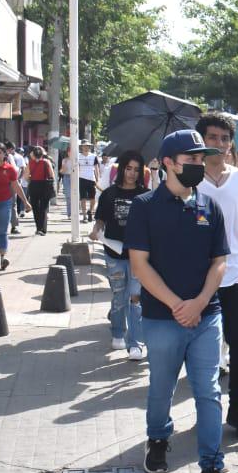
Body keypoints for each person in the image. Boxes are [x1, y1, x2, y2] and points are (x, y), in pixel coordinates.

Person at [125, 129, 230, 473]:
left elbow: (219, 262)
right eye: (191, 159)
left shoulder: (209, 206)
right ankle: (158, 438)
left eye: (202, 159)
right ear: (167, 163)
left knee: (209, 392)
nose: (199, 166)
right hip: (161, 317)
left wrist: (200, 302)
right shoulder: (144, 207)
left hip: (206, 316)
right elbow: (140, 266)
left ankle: (212, 467)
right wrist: (176, 305)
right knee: (161, 387)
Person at [195, 112, 238, 439]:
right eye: (213, 138)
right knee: (202, 347)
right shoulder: (188, 179)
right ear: (201, 141)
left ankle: (237, 408)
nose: (220, 145)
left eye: (225, 139)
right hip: (197, 275)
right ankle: (206, 410)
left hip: (236, 272)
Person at [91, 150, 151, 361]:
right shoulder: (109, 194)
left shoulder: (146, 196)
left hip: (138, 255)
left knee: (136, 296)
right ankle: (117, 332)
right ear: (122, 169)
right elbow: (101, 219)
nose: (132, 173)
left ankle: (135, 343)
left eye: (137, 170)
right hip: (113, 253)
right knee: (119, 295)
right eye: (129, 168)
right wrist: (96, 230)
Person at [26, 146, 56, 235]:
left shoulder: (30, 163)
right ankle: (43, 229)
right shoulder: (46, 162)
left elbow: (25, 176)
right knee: (44, 207)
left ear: (33, 155)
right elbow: (52, 175)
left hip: (34, 185)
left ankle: (38, 228)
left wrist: (30, 180)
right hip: (45, 185)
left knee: (35, 208)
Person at [76, 141, 99, 221]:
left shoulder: (93, 156)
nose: (86, 148)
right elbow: (76, 167)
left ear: (89, 147)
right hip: (81, 178)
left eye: (87, 146)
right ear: (81, 147)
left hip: (91, 179)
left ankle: (90, 211)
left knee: (93, 198)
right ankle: (84, 215)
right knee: (83, 198)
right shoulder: (78, 156)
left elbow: (96, 168)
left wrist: (97, 178)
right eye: (84, 146)